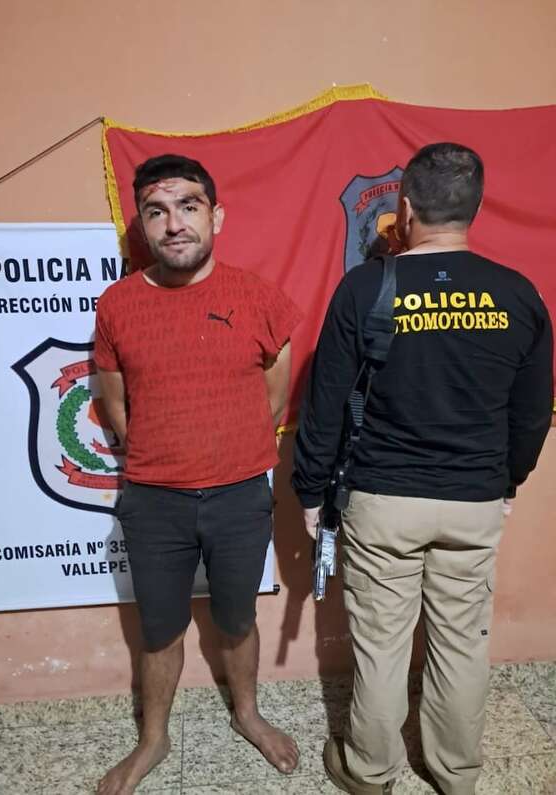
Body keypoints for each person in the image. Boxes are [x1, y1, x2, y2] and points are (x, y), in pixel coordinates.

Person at [292, 142, 553, 795]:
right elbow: (532, 414)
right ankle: (454, 772)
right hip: (473, 498)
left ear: (405, 208)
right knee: (461, 641)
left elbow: (323, 404)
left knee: (382, 644)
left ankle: (371, 771)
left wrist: (309, 490)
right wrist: (507, 482)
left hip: (384, 499)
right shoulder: (518, 294)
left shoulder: (364, 287)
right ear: (474, 208)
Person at [94, 154, 302, 794]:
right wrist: (167, 457)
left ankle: (248, 714)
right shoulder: (119, 304)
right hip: (155, 501)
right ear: (142, 226)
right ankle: (153, 740)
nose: (174, 223)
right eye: (157, 211)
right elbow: (112, 400)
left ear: (216, 215)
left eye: (188, 206)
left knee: (237, 616)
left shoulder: (258, 296)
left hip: (241, 494)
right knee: (159, 628)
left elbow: (275, 397)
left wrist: (226, 453)